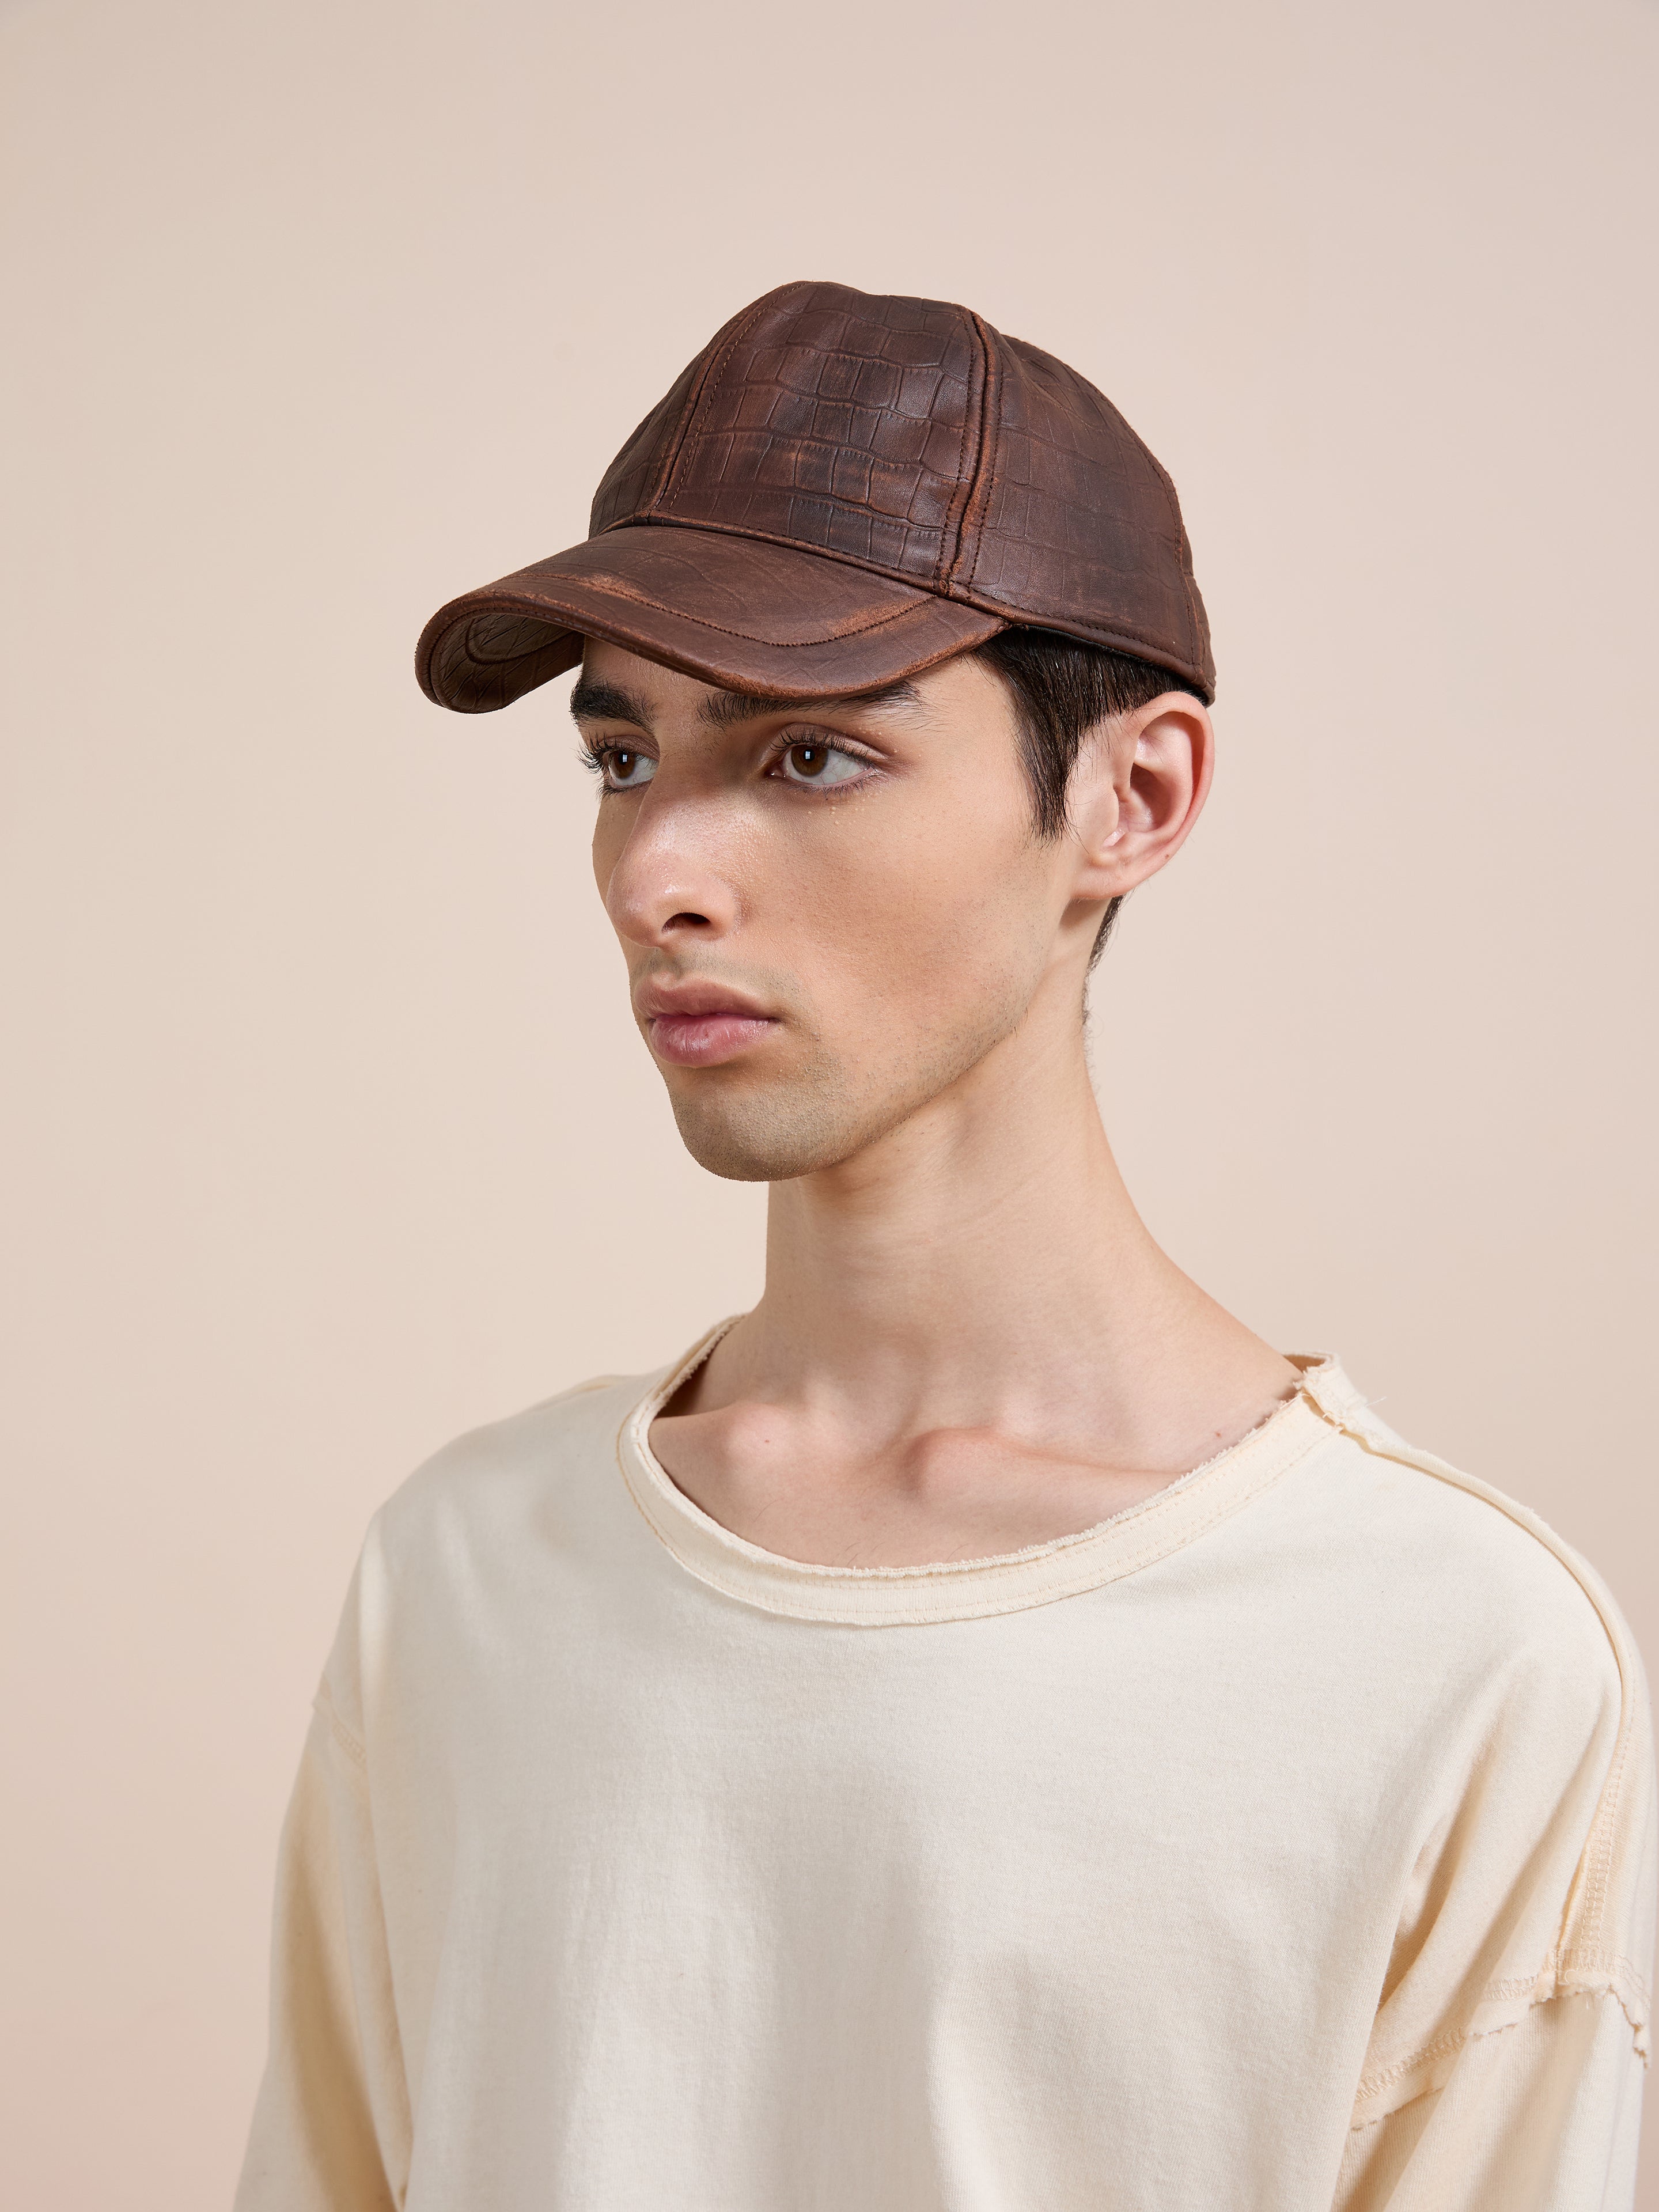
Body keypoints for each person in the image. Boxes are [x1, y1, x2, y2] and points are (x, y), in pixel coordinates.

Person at [234, 281, 1654, 2211]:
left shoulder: (1447, 1653)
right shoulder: (469, 1572)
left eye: (809, 756)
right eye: (623, 755)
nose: (658, 873)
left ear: (1131, 800)